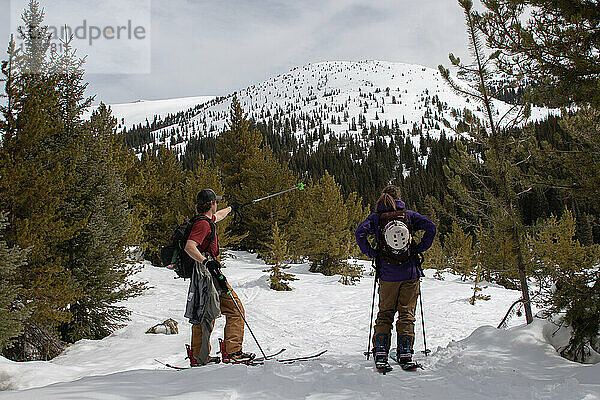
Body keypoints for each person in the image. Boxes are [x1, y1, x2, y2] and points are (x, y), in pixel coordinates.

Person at [355, 185, 436, 370]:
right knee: (406, 314)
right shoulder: (408, 215)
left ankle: (381, 351)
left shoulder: (376, 218)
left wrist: (372, 253)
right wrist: (418, 248)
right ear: (398, 197)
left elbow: (359, 233)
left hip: (387, 275)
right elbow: (431, 227)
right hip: (410, 272)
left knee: (385, 313)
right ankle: (405, 353)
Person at [183, 188, 254, 366]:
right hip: (208, 275)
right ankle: (232, 352)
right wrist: (207, 262)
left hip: (205, 274)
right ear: (211, 204)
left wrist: (232, 208)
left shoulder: (206, 220)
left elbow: (219, 216)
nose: (217, 205)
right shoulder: (203, 225)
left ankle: (199, 356)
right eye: (216, 202)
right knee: (235, 309)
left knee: (203, 311)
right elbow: (190, 247)